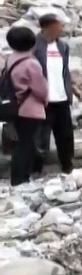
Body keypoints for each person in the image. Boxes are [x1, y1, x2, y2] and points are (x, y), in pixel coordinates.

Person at [33, 12, 79, 176]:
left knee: (65, 135)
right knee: (40, 137)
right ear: (48, 26)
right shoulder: (34, 46)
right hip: (41, 100)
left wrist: (73, 89)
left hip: (61, 98)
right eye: (59, 24)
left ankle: (67, 165)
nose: (62, 28)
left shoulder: (63, 46)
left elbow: (64, 71)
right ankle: (36, 169)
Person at [3, 26, 48, 187]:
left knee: (22, 143)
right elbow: (41, 89)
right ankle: (20, 180)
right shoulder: (31, 63)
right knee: (25, 145)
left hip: (14, 107)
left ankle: (24, 175)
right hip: (30, 109)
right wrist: (46, 100)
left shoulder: (11, 59)